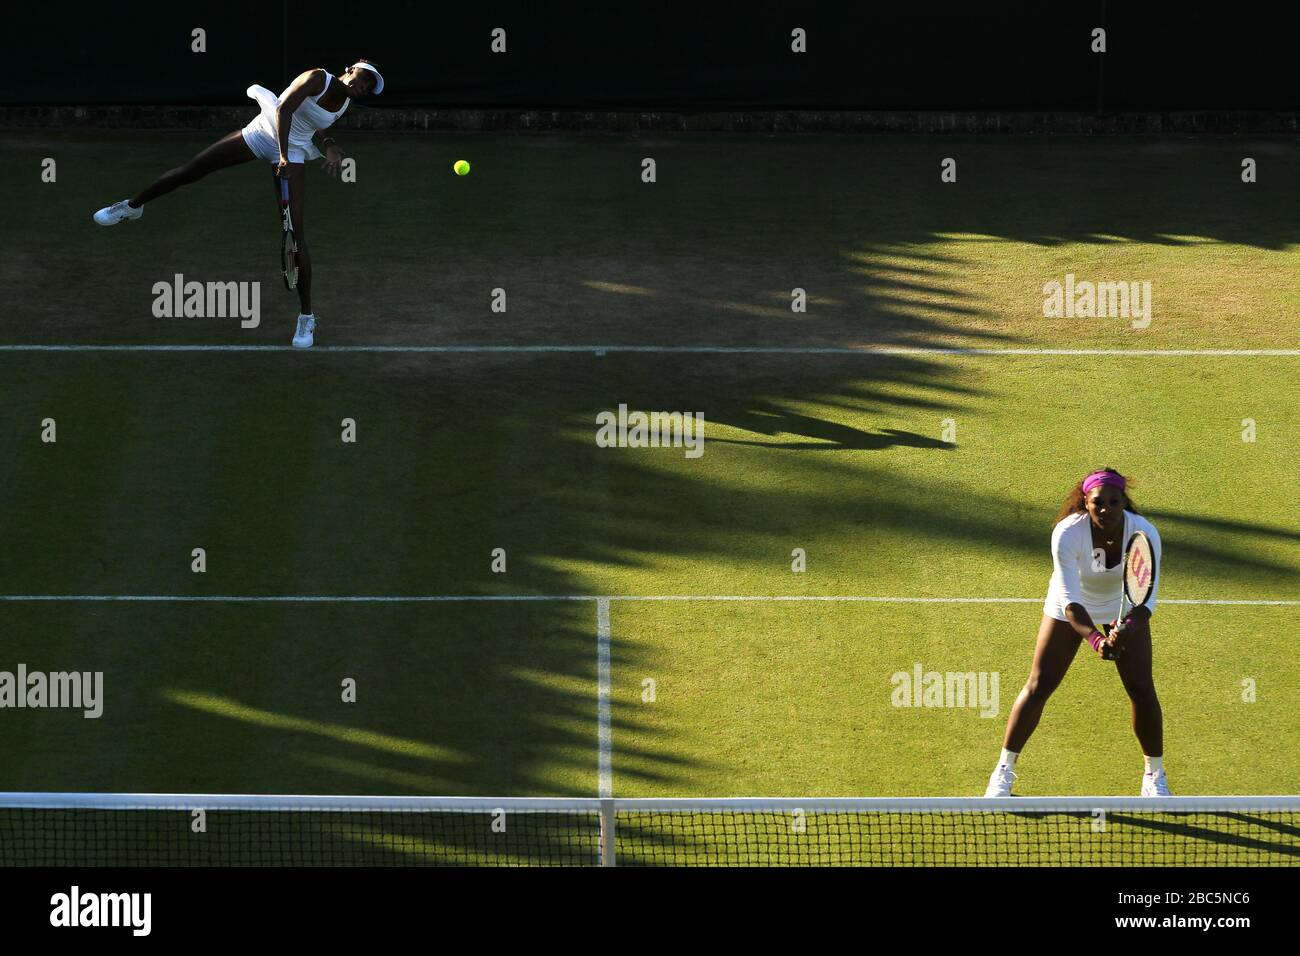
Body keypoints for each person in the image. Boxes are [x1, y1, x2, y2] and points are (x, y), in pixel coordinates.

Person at [93, 60, 385, 348]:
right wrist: (281, 155)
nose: (362, 87)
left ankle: (306, 316)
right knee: (191, 171)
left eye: (368, 87)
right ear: (349, 69)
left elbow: (313, 122)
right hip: (263, 134)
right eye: (362, 78)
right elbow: (285, 109)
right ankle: (132, 207)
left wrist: (329, 142)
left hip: (294, 150)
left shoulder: (346, 105)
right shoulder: (317, 78)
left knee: (296, 235)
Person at [985, 468, 1168, 797]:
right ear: (1086, 502)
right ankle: (1002, 772)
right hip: (1071, 603)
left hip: (1122, 605)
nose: (1105, 509)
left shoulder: (1144, 534)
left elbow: (1145, 604)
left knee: (1142, 688)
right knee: (1040, 684)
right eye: (1098, 502)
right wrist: (1097, 640)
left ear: (1123, 501)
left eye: (1114, 502)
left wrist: (1122, 630)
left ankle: (1154, 777)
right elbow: (1070, 603)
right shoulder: (1067, 534)